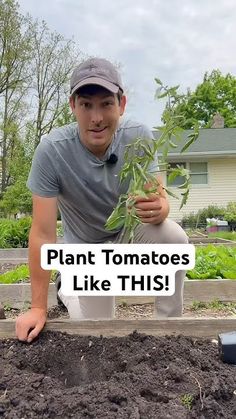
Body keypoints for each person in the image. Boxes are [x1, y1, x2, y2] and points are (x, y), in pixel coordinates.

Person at [15, 57, 188, 343]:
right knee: (99, 331)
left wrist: (160, 207)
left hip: (127, 235)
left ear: (121, 104)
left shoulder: (139, 137)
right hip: (86, 247)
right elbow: (43, 233)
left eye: (106, 104)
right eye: (86, 105)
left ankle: (169, 332)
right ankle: (68, 288)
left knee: (173, 238)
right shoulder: (52, 152)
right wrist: (37, 307)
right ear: (73, 106)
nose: (96, 118)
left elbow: (159, 200)